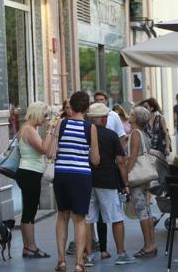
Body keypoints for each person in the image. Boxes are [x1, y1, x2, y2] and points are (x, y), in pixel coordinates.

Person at [49, 91, 100, 272]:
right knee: (80, 219)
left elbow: (50, 152)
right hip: (81, 176)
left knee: (62, 216)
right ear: (86, 108)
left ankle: (61, 260)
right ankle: (79, 262)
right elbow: (95, 159)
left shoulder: (61, 124)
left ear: (71, 106)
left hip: (62, 175)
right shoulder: (90, 128)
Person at [84, 103, 136, 266]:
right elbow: (121, 161)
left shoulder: (82, 134)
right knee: (116, 218)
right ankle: (121, 253)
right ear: (105, 120)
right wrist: (125, 183)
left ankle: (89, 255)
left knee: (88, 220)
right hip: (107, 181)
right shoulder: (111, 135)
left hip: (86, 180)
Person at [16, 101, 54, 258]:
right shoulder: (29, 130)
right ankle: (31, 247)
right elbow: (44, 149)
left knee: (28, 210)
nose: (45, 119)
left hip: (28, 172)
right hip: (29, 173)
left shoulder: (26, 128)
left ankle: (27, 247)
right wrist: (50, 131)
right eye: (44, 115)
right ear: (37, 113)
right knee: (30, 212)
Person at [126, 106, 157, 258]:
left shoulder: (135, 133)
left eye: (131, 114)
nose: (129, 116)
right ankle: (151, 243)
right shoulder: (143, 133)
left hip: (137, 178)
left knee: (141, 211)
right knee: (147, 210)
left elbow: (132, 157)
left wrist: (125, 176)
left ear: (136, 119)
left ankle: (148, 245)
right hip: (144, 177)